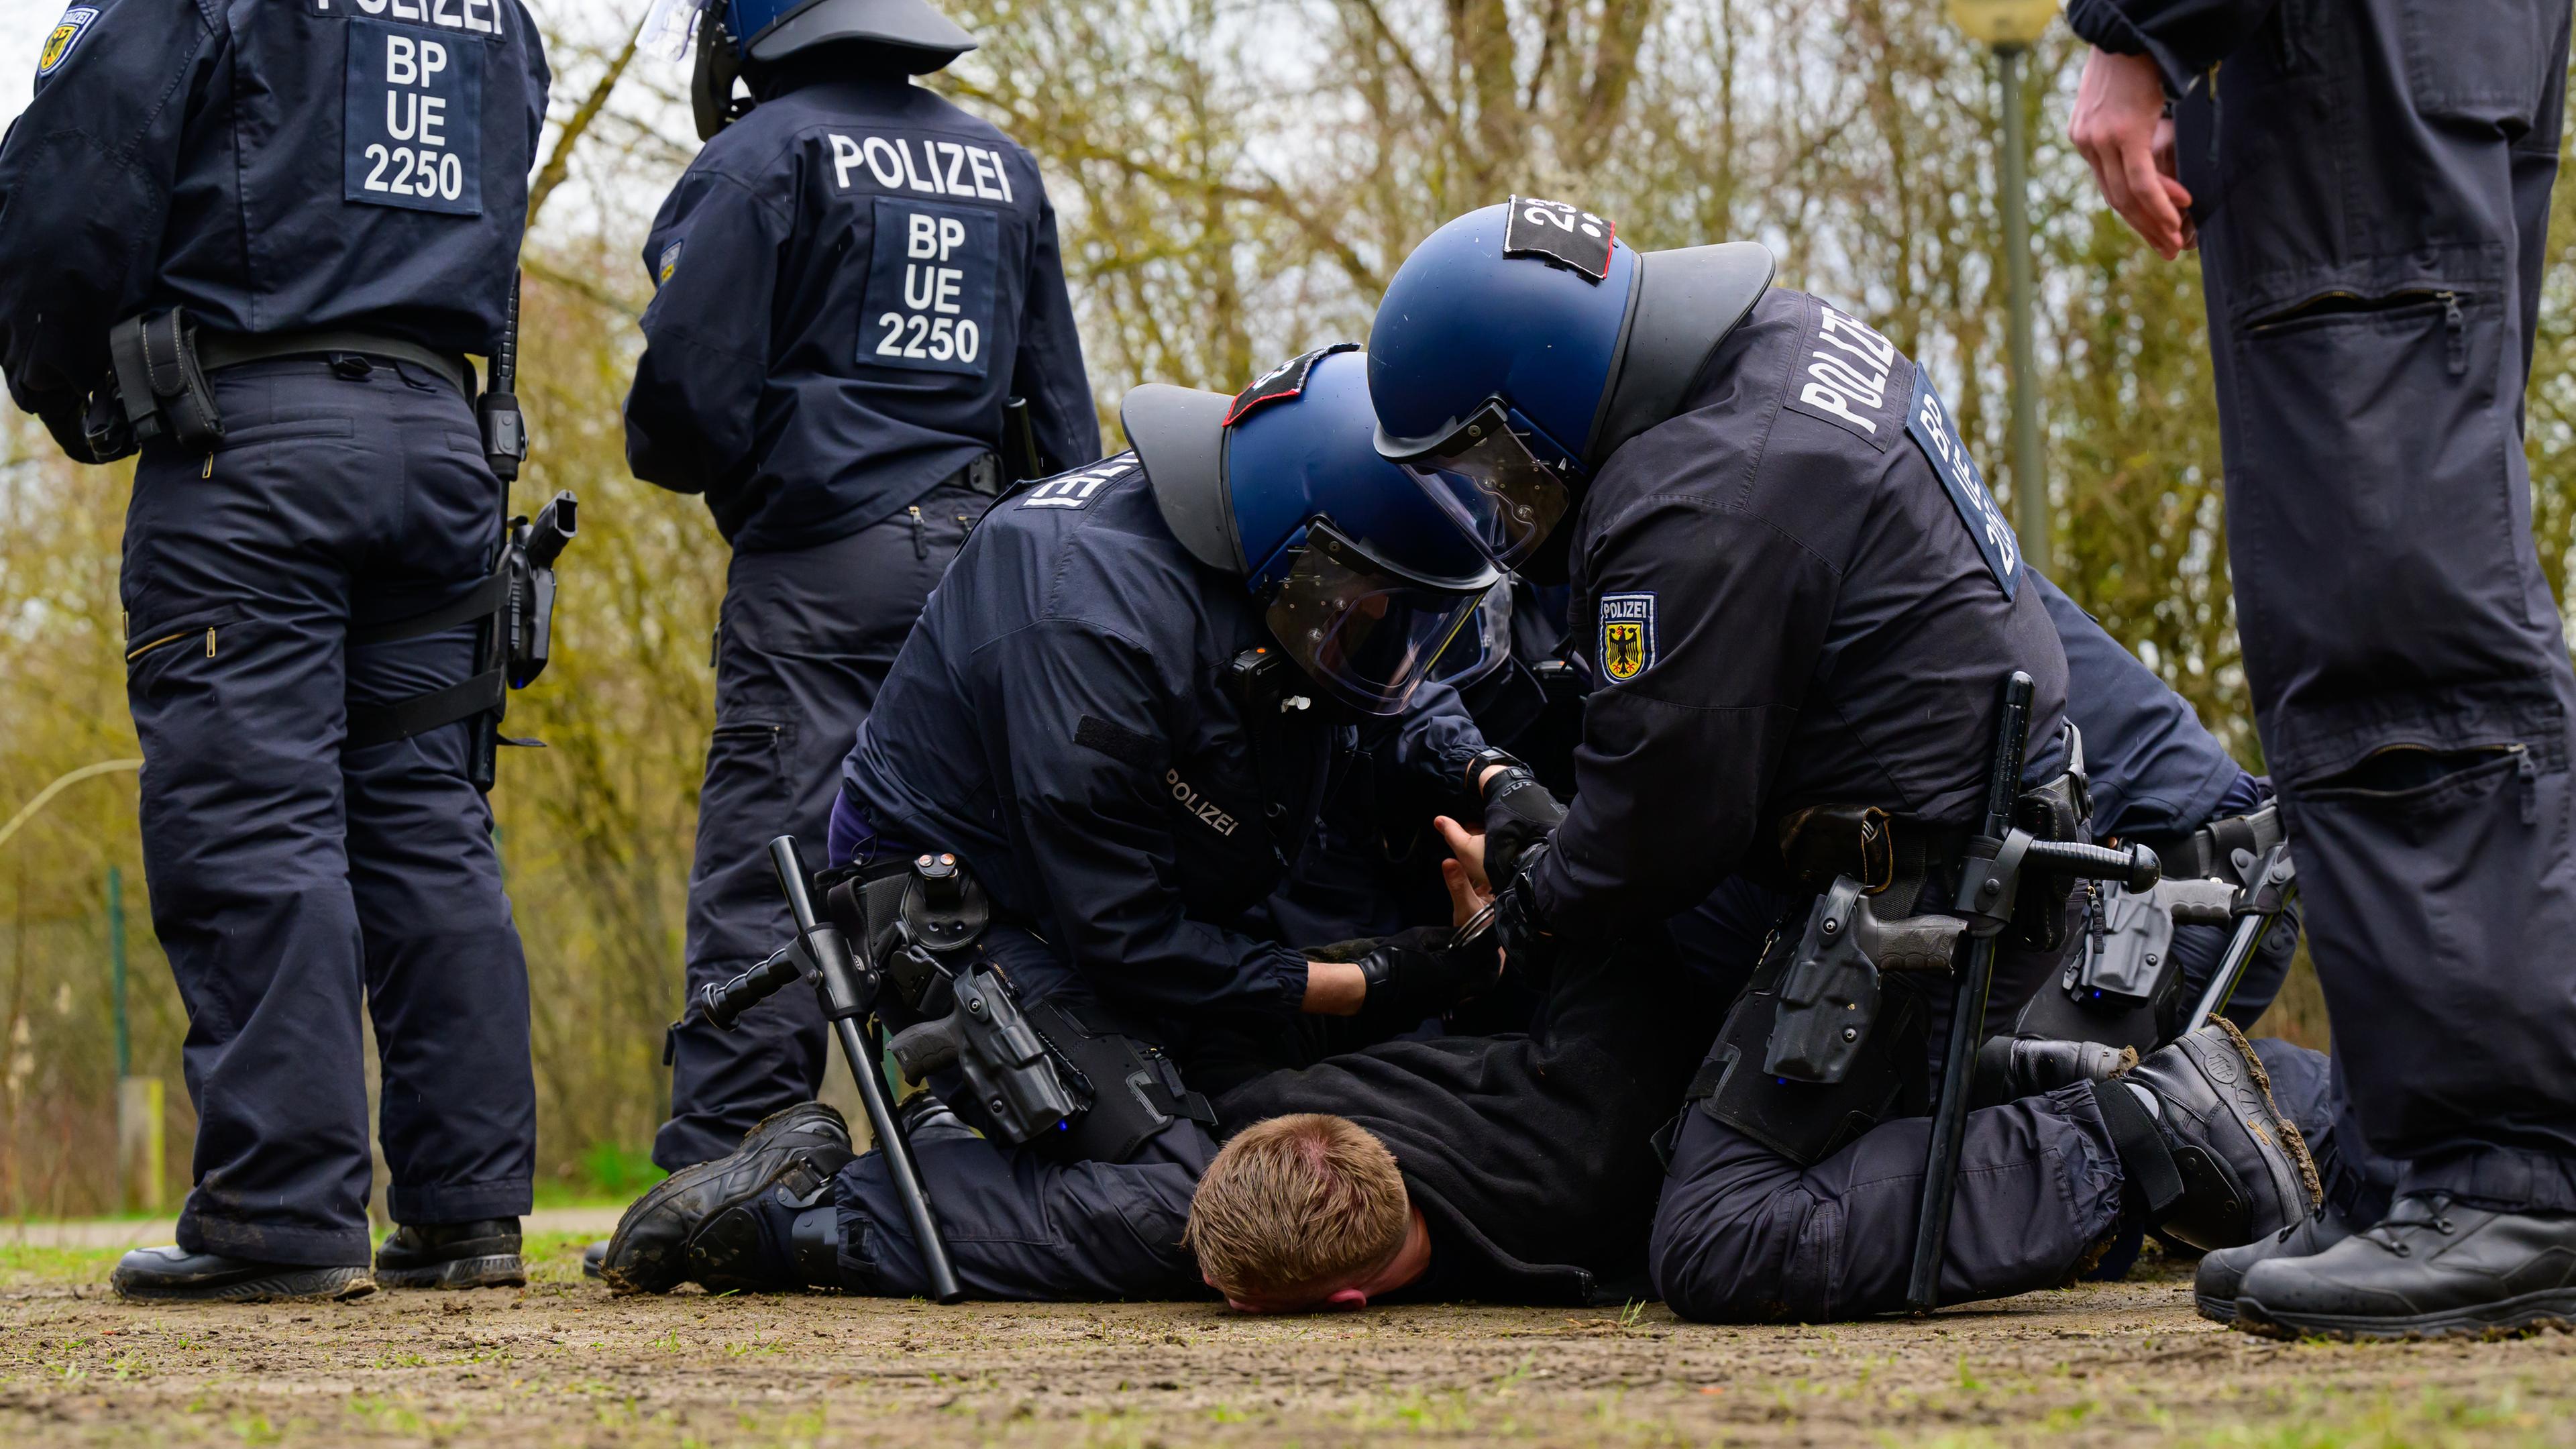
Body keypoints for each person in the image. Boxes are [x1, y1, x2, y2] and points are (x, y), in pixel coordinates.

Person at [1363, 202, 2318, 1321]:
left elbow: (1658, 832)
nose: (1493, 504)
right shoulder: (1780, 343)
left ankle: (2137, 1134)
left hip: (1960, 896)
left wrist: (1522, 917)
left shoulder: (1695, 500)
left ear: (1547, 403)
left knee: (1726, 1235)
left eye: (1490, 466)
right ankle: (2355, 1122)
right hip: (1999, 845)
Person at [595, 349, 1522, 1295]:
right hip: (971, 915)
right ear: (1303, 554)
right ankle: (800, 1213)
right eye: (1378, 612)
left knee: (1286, 1133)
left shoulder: (1278, 545)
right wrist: (1373, 978)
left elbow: (1395, 697)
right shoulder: (1088, 618)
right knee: (1204, 1209)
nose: (1390, 639)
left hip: (1150, 896)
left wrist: (1496, 779)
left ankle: (976, 1151)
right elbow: (1131, 938)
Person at [0, 0, 552, 1299]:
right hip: (440, 440)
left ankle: (281, 1213)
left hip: (252, 441)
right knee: (428, 816)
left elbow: (67, 197)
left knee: (253, 816)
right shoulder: (498, 12)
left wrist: (71, 387)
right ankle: (468, 1209)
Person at [2065, 0, 2576, 1338]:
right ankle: (2421, 1158)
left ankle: (2506, 1174)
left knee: (2392, 584)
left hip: (2355, 49)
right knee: (2373, 557)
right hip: (2409, 50)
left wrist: (2139, 28)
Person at [625, 0, 1101, 1173]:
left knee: (773, 857)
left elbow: (683, 410)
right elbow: (1062, 415)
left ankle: (736, 1153)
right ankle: (987, 1132)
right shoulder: (1003, 168)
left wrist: (766, 473)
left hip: (822, 568)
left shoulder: (757, 160)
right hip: (991, 563)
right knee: (961, 861)